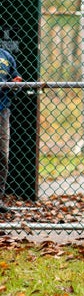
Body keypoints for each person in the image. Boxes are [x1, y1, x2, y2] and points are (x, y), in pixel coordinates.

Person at [0, 47, 21, 213]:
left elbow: (16, 78)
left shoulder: (6, 55)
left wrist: (16, 83)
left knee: (2, 156)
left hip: (2, 110)